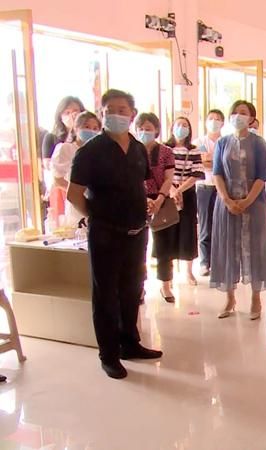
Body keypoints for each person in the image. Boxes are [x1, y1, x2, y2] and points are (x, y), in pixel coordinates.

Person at [67, 89, 162, 379]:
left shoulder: (137, 148)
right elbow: (74, 194)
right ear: (102, 114)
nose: (117, 115)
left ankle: (129, 344)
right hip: (105, 234)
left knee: (132, 290)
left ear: (132, 114)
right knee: (106, 295)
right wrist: (96, 216)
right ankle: (108, 354)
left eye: (122, 110)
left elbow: (139, 184)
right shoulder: (90, 151)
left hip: (137, 232)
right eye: (110, 110)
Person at [211, 100, 266, 320]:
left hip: (254, 202)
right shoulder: (222, 142)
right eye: (235, 112)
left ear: (251, 118)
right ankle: (230, 298)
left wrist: (247, 201)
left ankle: (256, 298)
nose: (238, 116)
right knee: (228, 247)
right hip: (226, 203)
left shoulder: (258, 143)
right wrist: (227, 200)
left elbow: (262, 176)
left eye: (243, 112)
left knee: (255, 247)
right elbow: (217, 173)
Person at [135, 113, 177, 302]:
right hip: (138, 201)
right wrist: (144, 199)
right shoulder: (132, 151)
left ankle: (165, 286)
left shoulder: (166, 152)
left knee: (164, 246)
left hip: (161, 200)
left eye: (148, 128)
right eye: (141, 128)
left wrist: (159, 199)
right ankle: (140, 287)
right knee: (139, 247)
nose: (144, 132)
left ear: (157, 130)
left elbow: (169, 178)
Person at [160, 117, 204, 291]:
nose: (181, 127)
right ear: (172, 128)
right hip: (166, 194)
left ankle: (188, 271)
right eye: (178, 124)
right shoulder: (164, 149)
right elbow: (160, 173)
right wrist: (171, 189)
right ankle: (168, 275)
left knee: (188, 231)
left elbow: (197, 173)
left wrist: (180, 190)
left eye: (185, 125)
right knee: (168, 232)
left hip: (188, 195)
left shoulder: (193, 150)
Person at [51, 111, 101, 227]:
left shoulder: (99, 152)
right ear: (76, 128)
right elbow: (57, 180)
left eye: (95, 128)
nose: (91, 131)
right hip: (76, 207)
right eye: (87, 127)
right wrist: (78, 191)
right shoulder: (66, 149)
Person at [43, 96, 86, 222]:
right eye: (67, 112)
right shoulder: (51, 138)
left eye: (75, 111)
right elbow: (50, 169)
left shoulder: (87, 138)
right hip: (61, 189)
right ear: (60, 116)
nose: (72, 115)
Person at [195, 109, 224, 277]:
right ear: (206, 122)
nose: (214, 121)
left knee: (221, 224)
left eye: (218, 119)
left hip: (222, 188)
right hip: (204, 187)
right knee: (205, 225)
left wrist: (211, 160)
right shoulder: (199, 142)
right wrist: (213, 161)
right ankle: (205, 262)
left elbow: (225, 164)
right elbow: (200, 163)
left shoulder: (226, 141)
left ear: (223, 123)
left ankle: (219, 261)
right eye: (211, 118)